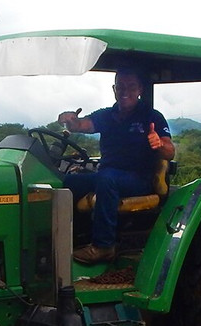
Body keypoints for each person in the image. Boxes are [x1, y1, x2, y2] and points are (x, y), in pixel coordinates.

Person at [57, 68, 175, 264]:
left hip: (138, 179)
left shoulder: (151, 116)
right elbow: (82, 125)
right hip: (109, 175)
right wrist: (70, 121)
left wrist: (159, 144)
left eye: (131, 87)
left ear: (140, 90)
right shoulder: (106, 115)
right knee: (69, 181)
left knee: (107, 178)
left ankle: (103, 246)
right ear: (114, 89)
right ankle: (72, 239)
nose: (125, 91)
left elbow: (170, 151)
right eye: (120, 87)